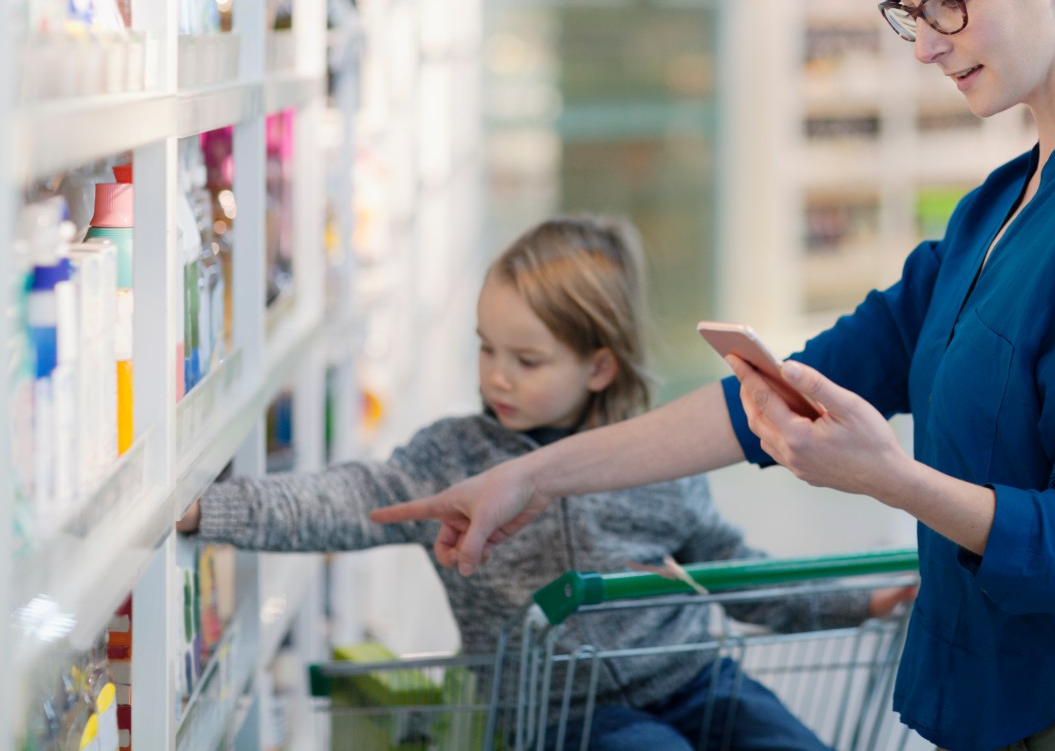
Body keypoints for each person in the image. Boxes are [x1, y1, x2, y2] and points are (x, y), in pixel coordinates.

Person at [374, 0, 1055, 751]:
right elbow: (779, 393)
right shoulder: (1007, 200)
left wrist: (890, 479)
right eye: (911, 10)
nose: (926, 43)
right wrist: (529, 477)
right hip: (1011, 694)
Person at [177, 215, 911, 751]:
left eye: (526, 360)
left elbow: (728, 567)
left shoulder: (653, 459)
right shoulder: (452, 456)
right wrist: (211, 508)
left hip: (693, 680)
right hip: (559, 716)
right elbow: (346, 498)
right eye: (486, 349)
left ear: (599, 367)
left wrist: (856, 601)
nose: (497, 375)